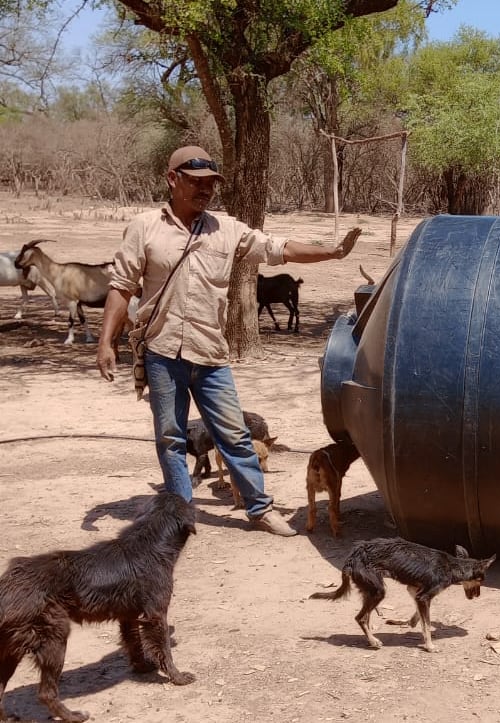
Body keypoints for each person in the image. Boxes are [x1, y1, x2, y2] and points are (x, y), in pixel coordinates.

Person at [96, 145, 357, 536]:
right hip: (162, 351)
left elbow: (277, 248)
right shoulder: (144, 227)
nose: (206, 191)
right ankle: (182, 514)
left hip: (210, 353)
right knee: (170, 437)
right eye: (196, 182)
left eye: (211, 184)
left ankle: (259, 508)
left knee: (235, 434)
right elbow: (121, 286)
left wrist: (332, 252)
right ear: (172, 179)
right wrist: (105, 342)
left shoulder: (227, 229)